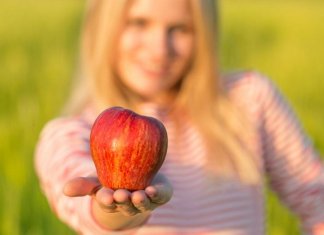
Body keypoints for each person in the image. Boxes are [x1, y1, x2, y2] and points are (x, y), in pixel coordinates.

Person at [35, 0, 324, 234]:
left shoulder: (249, 99)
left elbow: (316, 196)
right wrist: (118, 211)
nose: (160, 48)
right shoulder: (68, 135)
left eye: (181, 28)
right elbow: (87, 212)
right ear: (102, 28)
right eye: (139, 23)